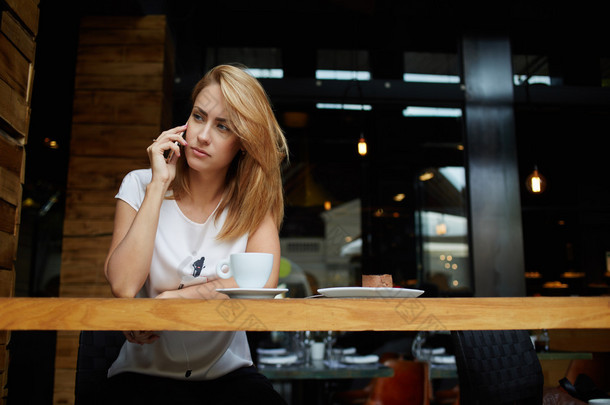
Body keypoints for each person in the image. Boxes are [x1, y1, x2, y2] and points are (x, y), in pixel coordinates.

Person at [103, 64, 288, 404]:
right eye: (199, 117)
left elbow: (262, 284)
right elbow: (124, 285)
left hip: (226, 373)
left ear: (243, 143)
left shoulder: (253, 203)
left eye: (223, 127)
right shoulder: (140, 183)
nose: (203, 135)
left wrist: (172, 301)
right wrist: (159, 185)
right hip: (144, 372)